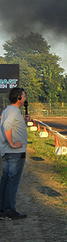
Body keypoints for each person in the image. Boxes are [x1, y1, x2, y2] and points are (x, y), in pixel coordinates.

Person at [0, 87, 30, 220]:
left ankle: (2, 209)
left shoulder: (8, 110)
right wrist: (12, 143)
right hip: (15, 152)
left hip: (8, 153)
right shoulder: (14, 111)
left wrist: (23, 122)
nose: (25, 98)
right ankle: (9, 210)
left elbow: (11, 126)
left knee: (5, 180)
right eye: (23, 96)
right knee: (13, 182)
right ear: (18, 98)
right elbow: (7, 126)